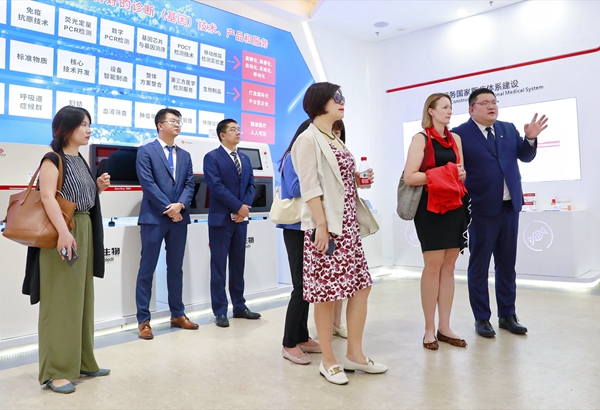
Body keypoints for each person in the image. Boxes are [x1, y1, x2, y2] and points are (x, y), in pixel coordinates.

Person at [292, 82, 386, 385]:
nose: (342, 102)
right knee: (326, 294)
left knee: (361, 286)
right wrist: (321, 226)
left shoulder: (333, 137)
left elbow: (335, 179)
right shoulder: (307, 139)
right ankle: (329, 361)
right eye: (336, 97)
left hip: (348, 228)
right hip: (327, 229)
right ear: (320, 102)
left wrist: (356, 179)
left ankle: (355, 355)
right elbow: (310, 187)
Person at [25, 106, 111, 393]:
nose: (89, 129)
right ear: (66, 128)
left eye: (89, 124)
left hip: (83, 229)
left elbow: (77, 196)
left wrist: (97, 188)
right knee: (60, 301)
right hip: (63, 231)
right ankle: (56, 371)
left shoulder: (79, 159)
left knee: (82, 299)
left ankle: (83, 361)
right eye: (83, 124)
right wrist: (64, 232)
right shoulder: (53, 159)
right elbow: (48, 198)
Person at [451, 88, 548, 338]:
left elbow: (525, 156)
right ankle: (482, 318)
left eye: (494, 102)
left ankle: (507, 315)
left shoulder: (508, 128)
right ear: (471, 109)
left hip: (509, 207)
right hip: (480, 209)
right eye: (484, 103)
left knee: (506, 264)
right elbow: (455, 170)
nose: (491, 106)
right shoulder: (459, 134)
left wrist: (530, 138)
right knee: (479, 265)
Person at [404, 93, 469, 350]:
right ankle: (429, 329)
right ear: (431, 111)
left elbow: (460, 173)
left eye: (450, 107)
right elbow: (410, 177)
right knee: (433, 265)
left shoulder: (456, 139)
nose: (449, 111)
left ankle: (445, 327)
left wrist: (458, 174)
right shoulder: (420, 138)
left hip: (454, 205)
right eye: (444, 107)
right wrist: (445, 173)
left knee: (449, 266)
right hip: (429, 208)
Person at [135, 108, 198, 340]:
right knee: (147, 269)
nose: (177, 124)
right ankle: (143, 320)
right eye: (173, 121)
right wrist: (169, 208)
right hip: (154, 218)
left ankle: (177, 314)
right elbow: (148, 183)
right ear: (160, 125)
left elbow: (190, 184)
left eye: (179, 121)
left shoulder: (185, 155)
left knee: (175, 268)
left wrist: (180, 206)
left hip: (179, 219)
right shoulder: (146, 151)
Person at [203, 119, 261, 328]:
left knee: (238, 264)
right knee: (219, 267)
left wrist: (244, 208)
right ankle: (220, 311)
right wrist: (238, 207)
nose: (238, 132)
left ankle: (239, 306)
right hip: (221, 220)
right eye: (233, 129)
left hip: (240, 220)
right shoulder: (212, 157)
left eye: (238, 129)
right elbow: (216, 186)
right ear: (222, 135)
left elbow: (252, 185)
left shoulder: (244, 158)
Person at [278, 119, 322, 365]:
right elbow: (295, 188)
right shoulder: (292, 156)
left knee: (307, 285)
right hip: (295, 227)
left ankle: (302, 336)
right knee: (300, 286)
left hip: (307, 226)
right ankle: (288, 342)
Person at [331, 119, 348, 339]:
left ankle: (337, 322)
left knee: (342, 278)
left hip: (345, 223)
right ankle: (329, 324)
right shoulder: (311, 145)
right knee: (329, 279)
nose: (336, 133)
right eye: (333, 129)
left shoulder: (344, 150)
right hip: (327, 223)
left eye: (339, 130)